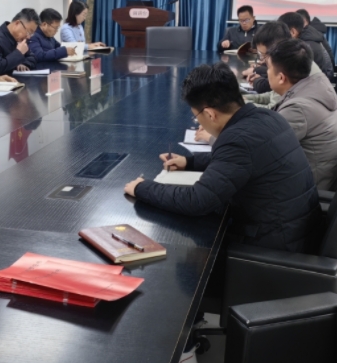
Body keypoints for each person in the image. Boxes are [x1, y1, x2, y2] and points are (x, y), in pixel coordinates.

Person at [124, 62, 319, 252]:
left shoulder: (237, 140)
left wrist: (142, 188)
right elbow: (239, 162)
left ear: (210, 114)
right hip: (298, 231)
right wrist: (189, 162)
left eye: (196, 117)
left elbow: (197, 201)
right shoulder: (267, 117)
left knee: (186, 251)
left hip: (272, 249)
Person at [265, 39, 337, 191]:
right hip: (318, 177)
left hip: (308, 190)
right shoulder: (314, 86)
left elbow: (262, 151)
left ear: (281, 78)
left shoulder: (298, 109)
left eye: (268, 67)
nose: (266, 72)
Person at [0, 8, 39, 75]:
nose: (29, 37)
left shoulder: (20, 38)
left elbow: (32, 57)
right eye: (28, 32)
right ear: (17, 23)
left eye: (31, 34)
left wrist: (24, 64)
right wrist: (19, 53)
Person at [279, 12, 334, 78]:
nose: (282, 36)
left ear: (293, 32)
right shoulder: (308, 37)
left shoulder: (304, 48)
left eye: (283, 32)